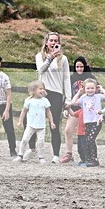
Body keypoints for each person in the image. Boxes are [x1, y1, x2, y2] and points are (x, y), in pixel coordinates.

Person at [30, 33, 71, 164]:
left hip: (56, 93)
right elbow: (41, 70)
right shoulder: (40, 56)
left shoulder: (63, 59)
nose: (53, 43)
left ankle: (55, 155)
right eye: (51, 40)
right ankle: (32, 148)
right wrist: (49, 59)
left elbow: (66, 79)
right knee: (34, 121)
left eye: (56, 41)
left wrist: (68, 98)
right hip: (42, 92)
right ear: (46, 42)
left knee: (54, 124)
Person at [61, 56, 95, 164]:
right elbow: (67, 94)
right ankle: (69, 154)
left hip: (88, 109)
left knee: (86, 134)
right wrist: (66, 107)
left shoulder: (90, 78)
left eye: (81, 66)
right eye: (77, 67)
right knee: (68, 130)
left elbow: (98, 92)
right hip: (75, 108)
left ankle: (88, 156)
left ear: (85, 67)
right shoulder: (71, 78)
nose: (79, 69)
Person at [69, 78, 105, 166]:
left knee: (91, 139)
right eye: (88, 88)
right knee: (88, 140)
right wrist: (78, 93)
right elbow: (73, 102)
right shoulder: (83, 98)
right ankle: (88, 159)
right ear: (84, 89)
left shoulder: (98, 96)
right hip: (87, 122)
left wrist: (101, 88)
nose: (90, 90)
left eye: (92, 88)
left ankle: (94, 159)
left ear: (95, 88)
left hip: (96, 121)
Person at [13, 81, 55, 164]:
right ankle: (20, 155)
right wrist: (20, 121)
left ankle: (41, 157)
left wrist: (51, 122)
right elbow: (24, 111)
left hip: (41, 126)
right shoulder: (29, 100)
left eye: (43, 89)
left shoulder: (45, 101)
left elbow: (48, 112)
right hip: (30, 125)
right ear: (34, 90)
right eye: (40, 89)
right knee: (25, 139)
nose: (42, 90)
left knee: (41, 142)